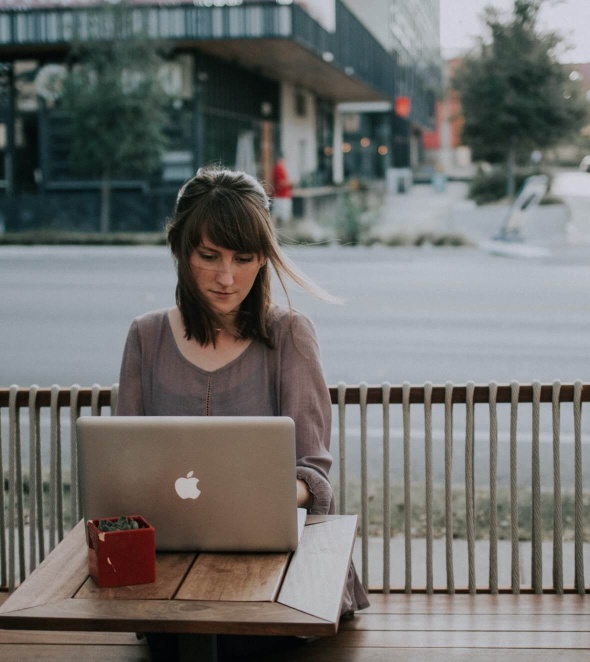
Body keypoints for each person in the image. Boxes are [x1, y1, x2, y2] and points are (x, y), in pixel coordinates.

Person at [116, 166, 369, 659]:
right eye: (208, 256)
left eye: (244, 258)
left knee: (236, 642)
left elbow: (313, 475)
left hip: (276, 572)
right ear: (180, 249)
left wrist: (250, 495)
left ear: (263, 260)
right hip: (170, 569)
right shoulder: (146, 337)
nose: (226, 277)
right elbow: (123, 467)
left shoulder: (290, 335)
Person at [271, 152, 293, 227]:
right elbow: (280, 183)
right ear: (281, 159)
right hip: (281, 196)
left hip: (282, 196)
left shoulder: (281, 168)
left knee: (277, 214)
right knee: (282, 215)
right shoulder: (278, 168)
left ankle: (274, 229)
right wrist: (290, 183)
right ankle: (283, 230)